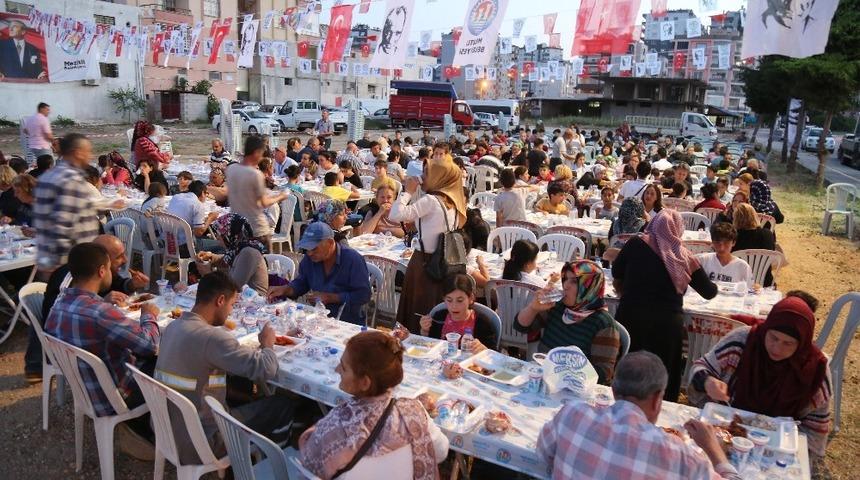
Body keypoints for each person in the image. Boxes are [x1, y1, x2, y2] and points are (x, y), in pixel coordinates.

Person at [155, 271, 294, 463]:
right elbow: (266, 369)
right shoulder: (212, 338)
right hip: (203, 440)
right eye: (232, 305)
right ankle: (268, 467)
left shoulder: (172, 327)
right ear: (220, 300)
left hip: (167, 430)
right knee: (281, 405)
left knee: (242, 390)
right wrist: (267, 344)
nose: (231, 311)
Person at [538, 351, 744, 479]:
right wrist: (714, 450)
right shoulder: (680, 456)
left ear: (614, 391)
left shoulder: (572, 414)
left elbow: (543, 452)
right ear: (657, 400)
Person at [44, 243, 160, 454]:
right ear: (101, 271)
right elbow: (149, 345)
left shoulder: (58, 303)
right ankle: (151, 430)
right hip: (114, 396)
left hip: (84, 388)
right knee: (165, 360)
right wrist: (148, 315)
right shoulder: (100, 312)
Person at [688, 296, 831, 457]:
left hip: (778, 448)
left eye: (788, 343)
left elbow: (813, 434)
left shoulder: (815, 369)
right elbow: (700, 367)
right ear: (766, 328)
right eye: (773, 338)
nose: (777, 348)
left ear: (802, 343)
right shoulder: (743, 341)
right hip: (725, 432)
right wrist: (707, 381)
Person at [299, 330, 447, 479]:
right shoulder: (414, 411)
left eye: (343, 367)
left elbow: (309, 468)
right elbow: (441, 451)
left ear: (365, 383)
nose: (337, 369)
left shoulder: (336, 427)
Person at [612, 210, 717, 401]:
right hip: (666, 326)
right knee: (663, 377)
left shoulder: (635, 243)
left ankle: (623, 406)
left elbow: (616, 270)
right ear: (677, 229)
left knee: (627, 372)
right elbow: (709, 292)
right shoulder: (683, 255)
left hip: (631, 318)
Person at [388, 159, 467, 332]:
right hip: (443, 262)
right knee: (435, 308)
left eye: (426, 174)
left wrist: (407, 192)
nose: (422, 177)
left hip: (423, 263)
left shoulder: (431, 200)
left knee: (418, 310)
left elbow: (395, 214)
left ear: (439, 177)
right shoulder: (452, 201)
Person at [515, 260, 620, 383]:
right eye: (565, 279)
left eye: (574, 281)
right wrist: (533, 308)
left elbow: (604, 373)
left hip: (575, 387)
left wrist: (563, 373)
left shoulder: (603, 324)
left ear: (590, 286)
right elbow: (520, 326)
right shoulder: (557, 307)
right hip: (544, 376)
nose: (565, 286)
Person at [33, 133, 110, 274]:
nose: (91, 156)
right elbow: (62, 223)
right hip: (72, 263)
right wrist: (59, 265)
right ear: (78, 153)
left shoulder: (47, 176)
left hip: (48, 257)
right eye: (88, 152)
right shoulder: (71, 180)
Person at [267, 223, 371, 325]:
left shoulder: (352, 259)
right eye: (307, 249)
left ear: (330, 243)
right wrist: (285, 289)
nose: (309, 253)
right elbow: (301, 284)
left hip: (348, 322)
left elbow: (364, 295)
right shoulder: (310, 259)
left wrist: (330, 297)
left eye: (314, 249)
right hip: (318, 320)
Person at [227, 136, 291, 243]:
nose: (261, 158)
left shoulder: (231, 169)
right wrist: (281, 196)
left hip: (237, 223)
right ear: (256, 152)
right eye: (261, 154)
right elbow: (263, 202)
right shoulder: (255, 174)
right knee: (260, 259)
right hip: (256, 228)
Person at [417, 274, 497, 353]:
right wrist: (424, 330)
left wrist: (484, 349)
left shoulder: (482, 323)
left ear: (471, 298)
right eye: (449, 300)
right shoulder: (439, 317)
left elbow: (495, 355)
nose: (454, 306)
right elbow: (429, 345)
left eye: (460, 300)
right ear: (444, 299)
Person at [196, 214, 269, 296]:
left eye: (220, 234)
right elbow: (230, 260)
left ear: (228, 234)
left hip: (253, 302)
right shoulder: (240, 246)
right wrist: (211, 257)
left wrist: (207, 274)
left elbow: (231, 288)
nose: (217, 237)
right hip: (241, 298)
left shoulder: (249, 252)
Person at [732, 203, 777, 286]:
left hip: (738, 281)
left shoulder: (732, 237)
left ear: (735, 218)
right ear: (754, 216)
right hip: (765, 281)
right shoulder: (767, 234)